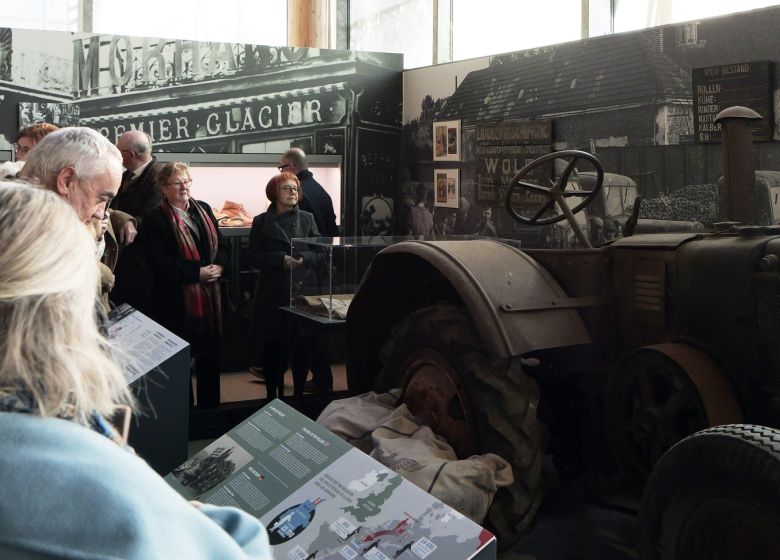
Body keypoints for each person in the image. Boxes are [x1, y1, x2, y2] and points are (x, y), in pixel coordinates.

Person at [0, 182, 271, 559]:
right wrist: (195, 518)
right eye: (102, 200)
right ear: (63, 305)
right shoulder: (78, 473)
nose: (101, 215)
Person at [141, 162, 229, 409]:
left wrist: (220, 267)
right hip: (176, 303)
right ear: (163, 187)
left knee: (210, 360)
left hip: (211, 299)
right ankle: (186, 415)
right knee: (181, 363)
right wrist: (195, 273)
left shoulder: (203, 210)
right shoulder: (155, 219)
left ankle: (210, 413)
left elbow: (222, 246)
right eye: (177, 182)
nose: (183, 187)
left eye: (187, 181)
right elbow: (158, 263)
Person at [247, 172, 321, 400]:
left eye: (295, 189)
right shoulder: (261, 221)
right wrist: (279, 259)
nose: (292, 192)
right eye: (286, 188)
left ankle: (298, 395)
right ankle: (271, 394)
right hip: (273, 291)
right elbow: (253, 256)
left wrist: (303, 260)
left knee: (300, 345)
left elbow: (321, 252)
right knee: (273, 346)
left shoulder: (307, 219)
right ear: (274, 193)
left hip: (301, 290)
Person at [277, 147, 337, 391]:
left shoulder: (302, 193)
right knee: (312, 329)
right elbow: (331, 230)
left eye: (282, 168)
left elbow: (302, 233)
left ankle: (320, 381)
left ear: (291, 168)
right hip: (319, 266)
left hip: (305, 269)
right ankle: (319, 380)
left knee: (305, 331)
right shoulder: (321, 190)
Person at [110, 130, 164, 312]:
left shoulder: (160, 177)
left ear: (131, 155)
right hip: (126, 263)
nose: (115, 154)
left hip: (142, 267)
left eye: (119, 150)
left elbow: (151, 218)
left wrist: (126, 221)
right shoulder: (128, 175)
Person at [279, 147, 338, 237]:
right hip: (325, 248)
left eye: (281, 168)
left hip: (306, 249)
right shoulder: (322, 192)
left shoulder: (295, 194)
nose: (281, 172)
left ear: (290, 167)